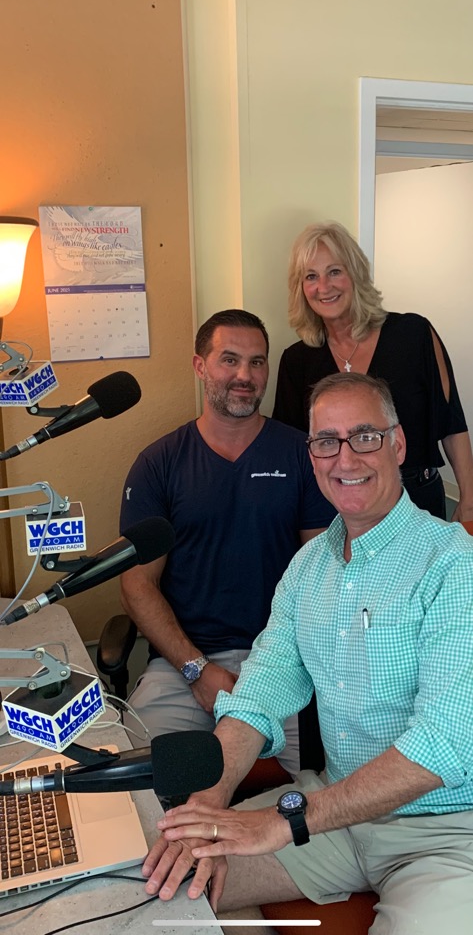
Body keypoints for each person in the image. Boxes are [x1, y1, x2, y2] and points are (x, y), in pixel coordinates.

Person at [143, 372, 473, 935]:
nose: (345, 458)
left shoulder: (452, 562)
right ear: (312, 455)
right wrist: (209, 806)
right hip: (338, 817)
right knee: (160, 883)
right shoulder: (308, 567)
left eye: (364, 436)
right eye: (326, 441)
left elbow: (443, 744)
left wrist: (284, 822)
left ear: (397, 444)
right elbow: (259, 694)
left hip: (443, 830)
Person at [119, 308, 335, 777]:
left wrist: (278, 665)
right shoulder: (159, 464)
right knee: (136, 783)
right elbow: (137, 586)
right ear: (200, 366)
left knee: (323, 788)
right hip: (182, 665)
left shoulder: (302, 456)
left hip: (284, 661)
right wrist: (196, 669)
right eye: (230, 360)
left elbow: (324, 574)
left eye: (257, 362)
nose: (245, 376)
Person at [272, 220, 473, 520]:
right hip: (334, 507)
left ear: (356, 273)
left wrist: (469, 499)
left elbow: (451, 423)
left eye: (334, 271)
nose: (323, 287)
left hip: (415, 500)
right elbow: (294, 452)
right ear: (301, 288)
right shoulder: (296, 360)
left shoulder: (414, 334)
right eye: (311, 276)